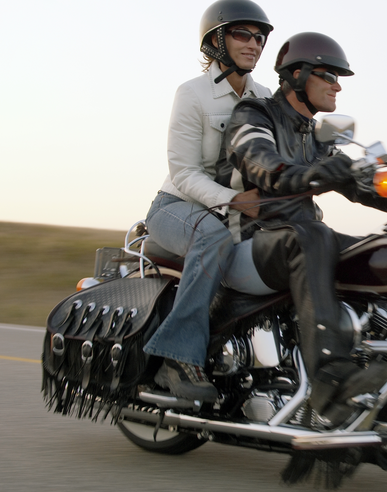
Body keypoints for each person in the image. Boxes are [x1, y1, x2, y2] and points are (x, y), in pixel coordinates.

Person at [219, 32, 387, 425]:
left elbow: (359, 185)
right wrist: (312, 173)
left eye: (339, 77)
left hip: (295, 240)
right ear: (297, 75)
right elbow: (259, 161)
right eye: (328, 75)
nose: (337, 85)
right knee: (316, 235)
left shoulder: (316, 138)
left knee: (386, 250)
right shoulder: (255, 112)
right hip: (250, 242)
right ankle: (330, 380)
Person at [142, 0, 274, 402]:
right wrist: (233, 200)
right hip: (176, 208)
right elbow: (183, 172)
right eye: (242, 34)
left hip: (235, 211)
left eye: (260, 37)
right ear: (216, 40)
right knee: (214, 239)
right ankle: (176, 357)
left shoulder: (266, 96)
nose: (253, 44)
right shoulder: (193, 93)